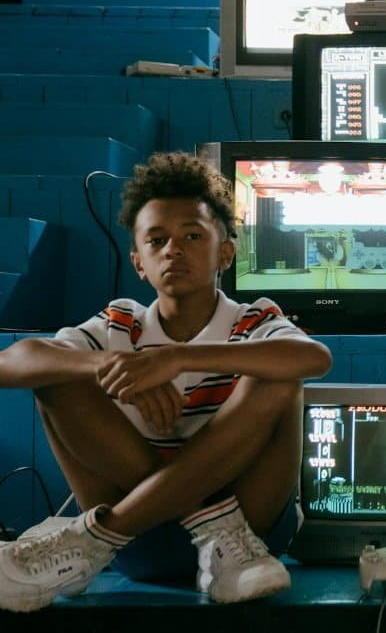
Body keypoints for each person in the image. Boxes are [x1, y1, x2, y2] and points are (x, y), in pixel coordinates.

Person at [0, 152, 333, 612]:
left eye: (192, 236)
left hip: (248, 544)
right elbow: (12, 362)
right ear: (138, 262)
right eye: (156, 240)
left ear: (226, 252)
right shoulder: (121, 323)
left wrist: (174, 360)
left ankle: (94, 537)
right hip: (140, 541)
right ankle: (122, 537)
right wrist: (105, 366)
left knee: (278, 378)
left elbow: (314, 358)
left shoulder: (253, 319)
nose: (173, 249)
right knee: (56, 377)